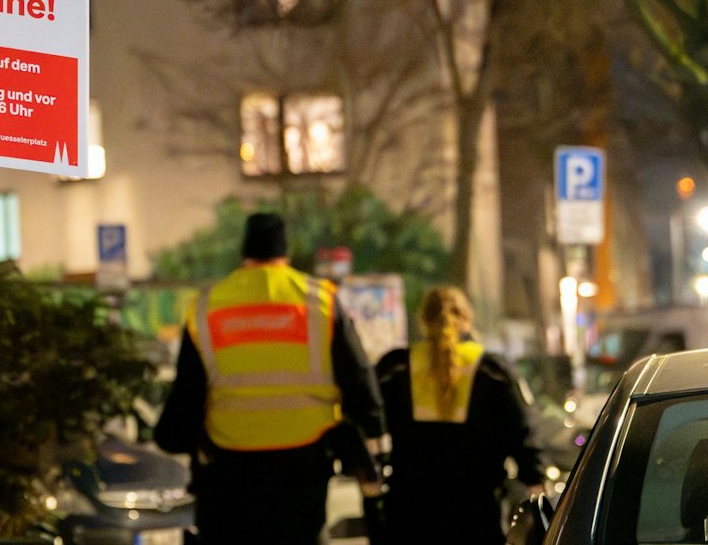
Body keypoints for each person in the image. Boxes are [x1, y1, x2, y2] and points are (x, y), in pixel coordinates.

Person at [156, 212, 386, 545]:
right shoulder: (320, 300)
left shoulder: (206, 306)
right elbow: (358, 378)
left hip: (230, 470)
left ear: (244, 251)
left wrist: (177, 438)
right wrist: (374, 436)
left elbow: (188, 394)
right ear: (286, 251)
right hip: (304, 465)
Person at [374, 286, 547, 543]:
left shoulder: (395, 368)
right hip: (475, 513)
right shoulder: (492, 371)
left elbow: (369, 419)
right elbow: (522, 428)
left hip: (409, 512)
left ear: (424, 321)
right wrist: (534, 478)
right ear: (467, 319)